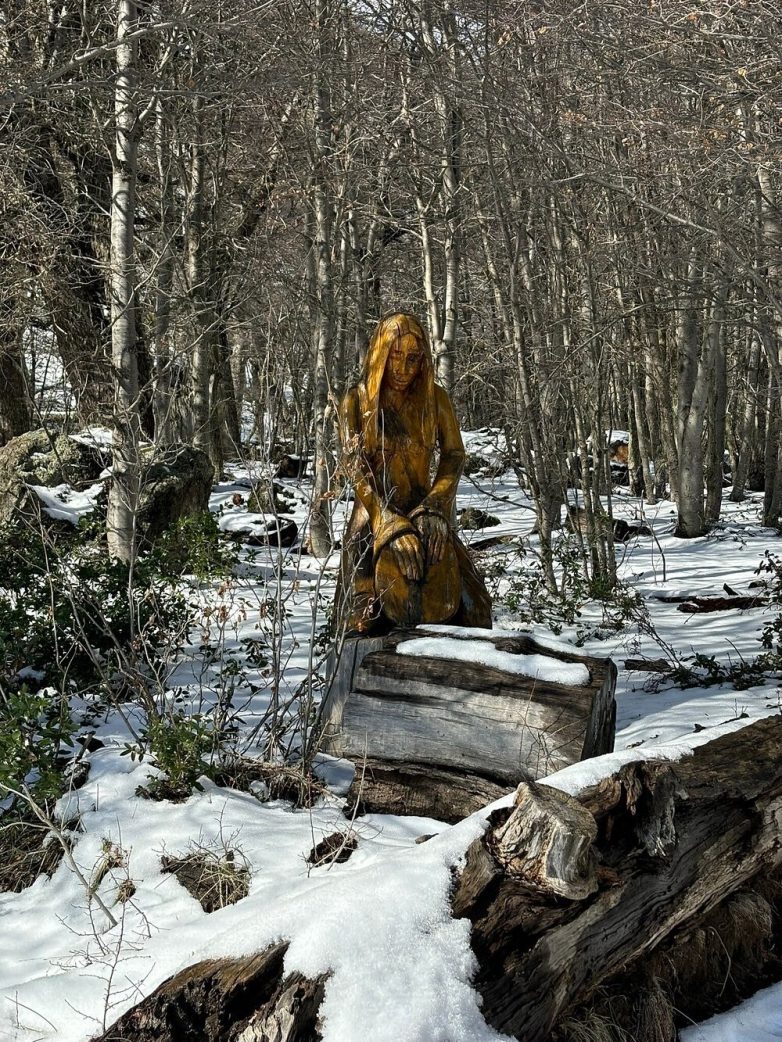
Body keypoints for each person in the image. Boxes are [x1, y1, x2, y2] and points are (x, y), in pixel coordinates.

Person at [335, 312, 492, 634]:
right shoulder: (356, 400)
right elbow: (354, 466)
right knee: (361, 619)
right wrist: (386, 520)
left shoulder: (436, 398)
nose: (403, 369)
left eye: (413, 358)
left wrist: (434, 505)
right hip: (373, 511)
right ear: (380, 353)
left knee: (476, 607)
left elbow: (453, 454)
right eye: (395, 357)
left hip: (425, 510)